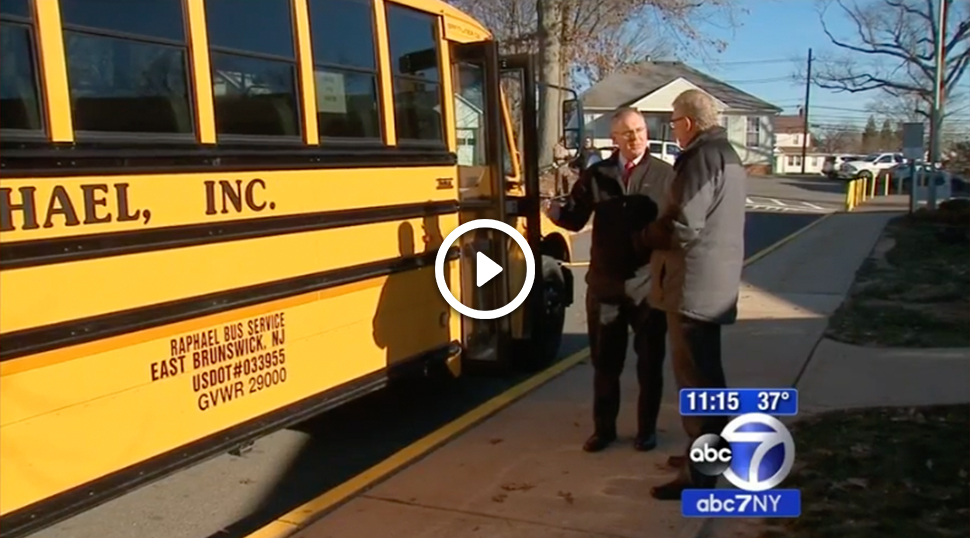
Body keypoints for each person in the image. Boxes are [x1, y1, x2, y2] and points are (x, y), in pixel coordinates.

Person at [635, 89, 746, 500]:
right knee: (707, 378)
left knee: (697, 383)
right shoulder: (727, 155)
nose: (674, 130)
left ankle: (700, 474)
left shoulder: (701, 158)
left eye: (675, 123)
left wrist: (644, 235)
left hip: (693, 287)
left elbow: (682, 225)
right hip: (711, 283)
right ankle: (706, 455)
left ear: (690, 123)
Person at [544, 107, 675, 453]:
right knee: (605, 363)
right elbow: (574, 218)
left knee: (650, 363)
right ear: (614, 139)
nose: (636, 138)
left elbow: (678, 226)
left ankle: (647, 430)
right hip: (605, 285)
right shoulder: (596, 175)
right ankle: (604, 430)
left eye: (641, 130)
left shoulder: (666, 175)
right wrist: (556, 214)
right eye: (628, 133)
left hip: (648, 286)